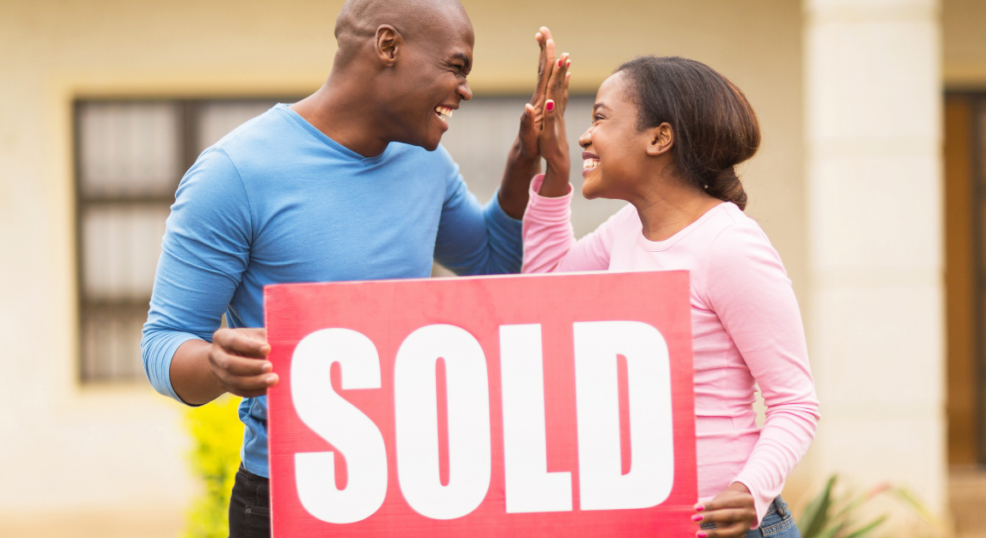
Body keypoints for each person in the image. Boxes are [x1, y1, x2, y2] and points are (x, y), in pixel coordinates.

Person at [140, 0, 571, 535]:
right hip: (288, 498)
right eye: (456, 67)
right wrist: (217, 366)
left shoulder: (426, 162)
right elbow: (164, 341)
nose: (465, 90)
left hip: (418, 488)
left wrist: (521, 163)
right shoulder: (236, 173)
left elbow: (493, 266)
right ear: (387, 46)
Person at [522, 56, 820, 538]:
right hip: (648, 522)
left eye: (600, 117)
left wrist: (751, 488)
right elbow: (545, 296)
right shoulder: (624, 231)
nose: (583, 136)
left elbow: (796, 402)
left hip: (727, 528)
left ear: (659, 138)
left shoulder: (729, 245)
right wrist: (555, 174)